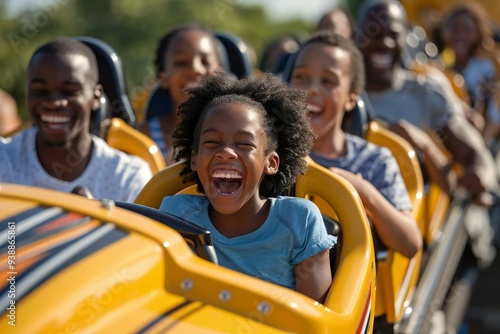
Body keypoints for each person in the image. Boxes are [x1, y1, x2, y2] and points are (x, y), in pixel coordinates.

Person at [159, 72, 335, 303]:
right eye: (212, 143)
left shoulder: (300, 221)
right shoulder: (175, 216)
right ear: (194, 159)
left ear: (270, 163)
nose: (226, 152)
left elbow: (317, 320)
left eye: (244, 144)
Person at [290, 31, 421, 258]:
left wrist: (362, 192)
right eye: (301, 77)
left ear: (351, 98)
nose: (311, 89)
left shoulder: (374, 161)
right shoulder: (273, 153)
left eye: (328, 81)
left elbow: (409, 243)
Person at [355, 0, 498, 202]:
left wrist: (480, 174)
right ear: (357, 36)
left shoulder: (426, 91)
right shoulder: (341, 92)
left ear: (405, 38)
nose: (384, 43)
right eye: (373, 34)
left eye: (393, 35)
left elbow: (475, 155)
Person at [0, 37, 152, 202]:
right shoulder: (5, 160)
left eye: (69, 91)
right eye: (40, 90)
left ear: (96, 96)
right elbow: (10, 228)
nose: (54, 103)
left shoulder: (127, 177)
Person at [139, 24, 224, 164]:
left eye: (205, 61)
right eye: (181, 63)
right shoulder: (142, 138)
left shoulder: (238, 136)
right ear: (163, 77)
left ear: (221, 72)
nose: (195, 69)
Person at [440, 3, 500, 148]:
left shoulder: (486, 68)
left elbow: (492, 115)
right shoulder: (442, 67)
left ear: (477, 34)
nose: (460, 35)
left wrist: (482, 149)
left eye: (467, 30)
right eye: (455, 29)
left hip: (483, 143)